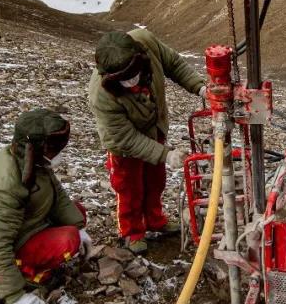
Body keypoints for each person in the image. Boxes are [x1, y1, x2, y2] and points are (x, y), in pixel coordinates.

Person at [0, 108, 92, 304]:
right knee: (68, 240)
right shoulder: (4, 187)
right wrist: (15, 296)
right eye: (55, 149)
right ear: (36, 147)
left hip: (25, 226)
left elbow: (56, 192)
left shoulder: (29, 159)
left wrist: (79, 225)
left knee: (78, 213)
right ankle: (28, 273)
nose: (59, 154)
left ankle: (39, 253)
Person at [88, 29, 206, 254]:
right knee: (129, 187)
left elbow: (174, 64)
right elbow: (125, 138)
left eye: (134, 73)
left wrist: (199, 87)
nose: (132, 81)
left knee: (155, 179)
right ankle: (132, 232)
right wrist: (166, 154)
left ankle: (155, 220)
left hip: (154, 127)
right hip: (125, 144)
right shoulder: (101, 94)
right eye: (124, 79)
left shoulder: (147, 42)